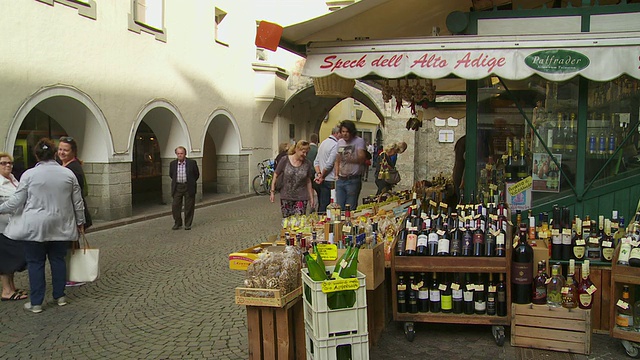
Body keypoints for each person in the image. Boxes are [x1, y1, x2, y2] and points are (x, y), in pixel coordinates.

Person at [0, 138, 85, 313]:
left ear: (36, 155)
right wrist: (80, 222)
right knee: (58, 260)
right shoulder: (67, 174)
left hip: (35, 227)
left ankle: (37, 302)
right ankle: (60, 296)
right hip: (61, 225)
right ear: (54, 153)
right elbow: (78, 202)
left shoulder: (29, 175)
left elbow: (16, 201)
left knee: (35, 263)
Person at [58, 136, 92, 287]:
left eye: (65, 150)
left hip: (72, 212)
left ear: (73, 152)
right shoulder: (64, 165)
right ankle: (75, 274)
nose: (62, 152)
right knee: (71, 244)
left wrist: (79, 220)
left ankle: (76, 275)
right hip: (68, 213)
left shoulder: (74, 168)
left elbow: (77, 195)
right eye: (60, 149)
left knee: (71, 245)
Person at [0, 152, 27, 301]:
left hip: (14, 226)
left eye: (9, 163)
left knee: (11, 258)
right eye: (3, 163)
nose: (8, 165)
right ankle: (6, 290)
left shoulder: (13, 179)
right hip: (2, 226)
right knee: (4, 259)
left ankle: (12, 286)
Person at [270, 140, 315, 217]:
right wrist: (272, 191)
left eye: (306, 153)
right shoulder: (285, 160)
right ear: (296, 149)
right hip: (286, 196)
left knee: (299, 222)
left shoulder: (307, 163)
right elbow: (276, 174)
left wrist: (311, 198)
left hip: (301, 197)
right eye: (303, 152)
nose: (305, 155)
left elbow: (308, 181)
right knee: (287, 222)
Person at [334, 120, 366, 209]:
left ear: (351, 132)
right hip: (341, 179)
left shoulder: (359, 141)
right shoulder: (340, 142)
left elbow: (362, 158)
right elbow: (337, 160)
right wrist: (336, 174)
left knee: (350, 208)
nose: (345, 134)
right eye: (343, 132)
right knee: (339, 207)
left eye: (347, 132)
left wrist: (351, 159)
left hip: (352, 179)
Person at [169, 146, 199, 230]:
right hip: (177, 186)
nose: (180, 155)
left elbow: (196, 174)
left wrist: (191, 182)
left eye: (181, 153)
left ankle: (187, 223)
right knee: (175, 206)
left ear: (185, 154)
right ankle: (178, 223)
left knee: (189, 206)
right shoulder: (173, 164)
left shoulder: (192, 163)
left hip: (188, 186)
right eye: (178, 153)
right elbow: (171, 175)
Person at [314, 127, 341, 214]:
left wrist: (319, 174)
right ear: (337, 134)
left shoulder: (323, 143)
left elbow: (316, 162)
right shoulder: (335, 145)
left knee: (322, 204)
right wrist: (322, 176)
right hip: (330, 179)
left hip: (322, 179)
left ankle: (320, 221)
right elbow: (329, 164)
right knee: (332, 206)